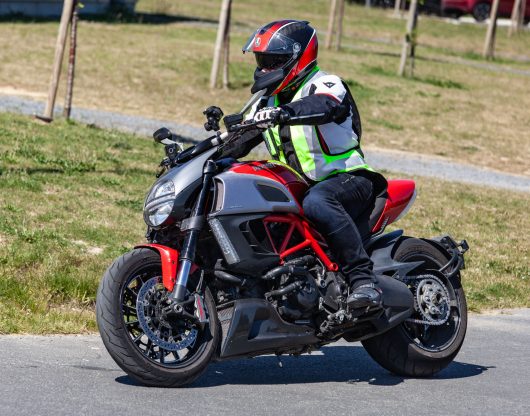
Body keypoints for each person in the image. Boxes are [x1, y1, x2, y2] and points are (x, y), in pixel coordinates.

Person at [228, 20, 387, 310]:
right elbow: (238, 142)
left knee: (318, 202)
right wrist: (196, 158)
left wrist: (283, 113)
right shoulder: (266, 102)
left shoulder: (325, 84)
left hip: (348, 179)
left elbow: (325, 106)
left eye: (272, 61)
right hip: (296, 189)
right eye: (262, 61)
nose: (265, 68)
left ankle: (363, 281)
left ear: (297, 58)